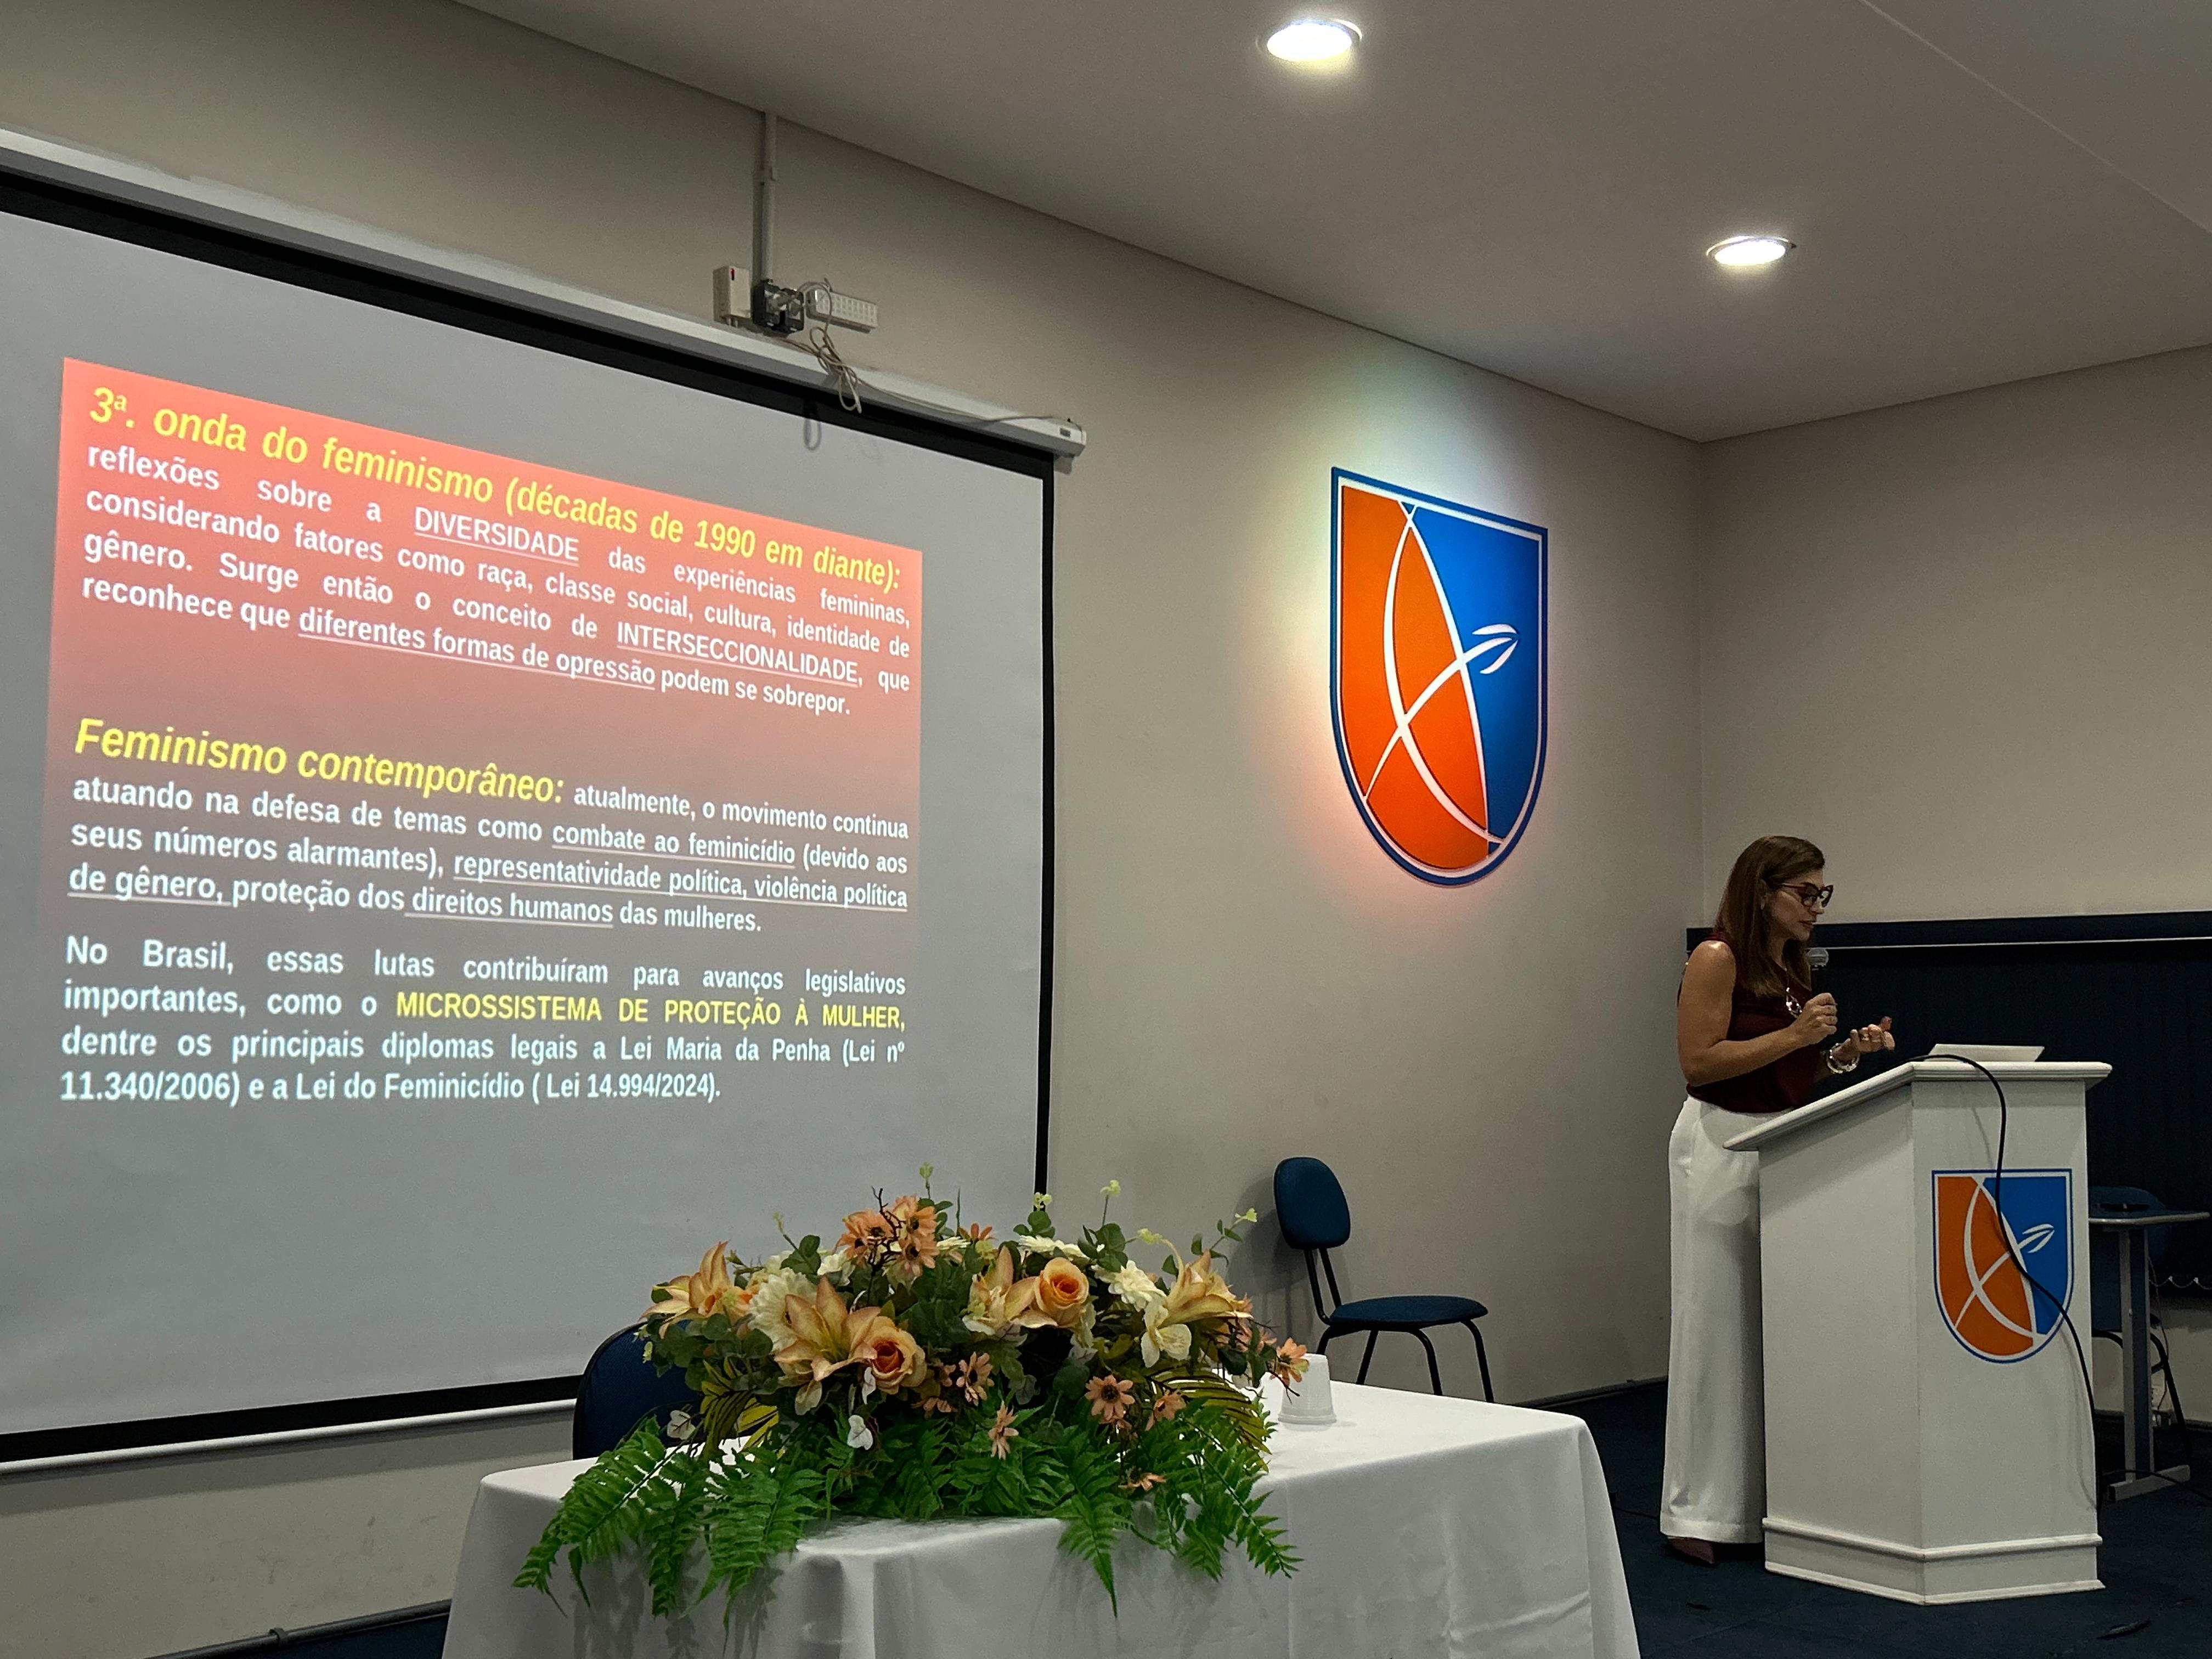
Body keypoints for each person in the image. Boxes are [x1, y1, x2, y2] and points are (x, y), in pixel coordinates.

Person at [1660, 834, 1894, 1564]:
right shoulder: (1716, 957)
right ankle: (1695, 1512)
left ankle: (1762, 1502)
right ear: (1762, 892)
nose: (1816, 908)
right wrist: (1795, 1035)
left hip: (1777, 1137)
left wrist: (1841, 1056)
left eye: (1823, 895)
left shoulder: (1791, 968)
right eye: (1805, 894)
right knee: (1714, 1323)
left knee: (1766, 1327)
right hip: (1719, 1141)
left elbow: (1788, 1072)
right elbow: (1700, 1061)